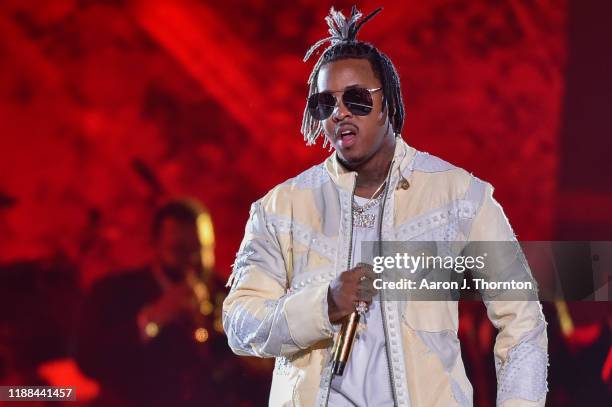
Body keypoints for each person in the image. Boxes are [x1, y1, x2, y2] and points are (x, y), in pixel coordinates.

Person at [223, 6, 548, 407]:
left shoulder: (459, 197)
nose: (340, 112)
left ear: (389, 103)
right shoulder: (281, 208)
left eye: (356, 99)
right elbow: (239, 325)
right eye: (326, 103)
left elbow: (523, 322)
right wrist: (323, 304)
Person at [77, 199, 247, 406]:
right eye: (179, 250)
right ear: (155, 246)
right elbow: (89, 361)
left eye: (202, 249)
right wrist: (152, 319)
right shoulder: (113, 292)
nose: (193, 259)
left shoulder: (229, 293)